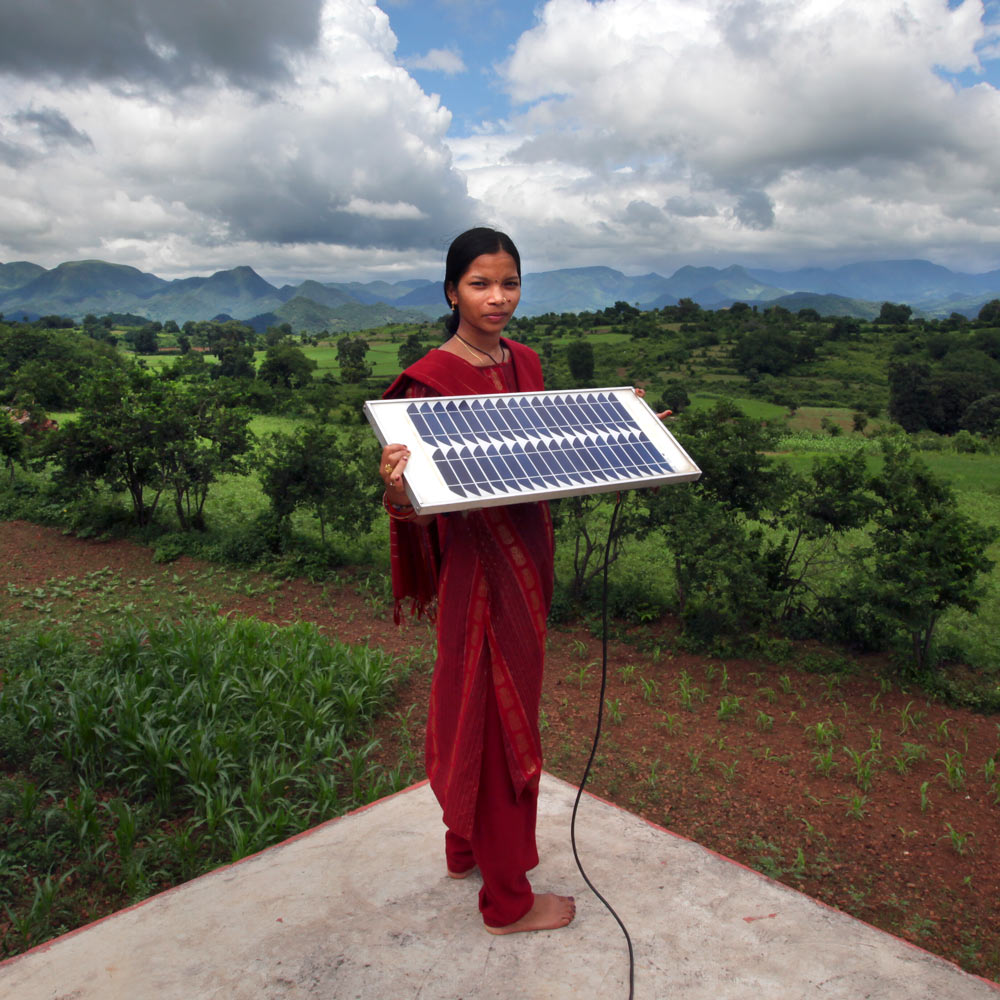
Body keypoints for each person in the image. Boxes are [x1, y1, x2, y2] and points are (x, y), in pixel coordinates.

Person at [378, 227, 576, 934]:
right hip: (480, 578)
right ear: (451, 290)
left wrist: (622, 431)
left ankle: (464, 847)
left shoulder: (527, 361)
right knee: (489, 721)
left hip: (529, 564)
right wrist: (398, 491)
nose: (498, 298)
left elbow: (541, 456)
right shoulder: (427, 381)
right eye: (480, 284)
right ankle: (507, 900)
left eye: (511, 282)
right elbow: (413, 509)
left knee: (486, 709)